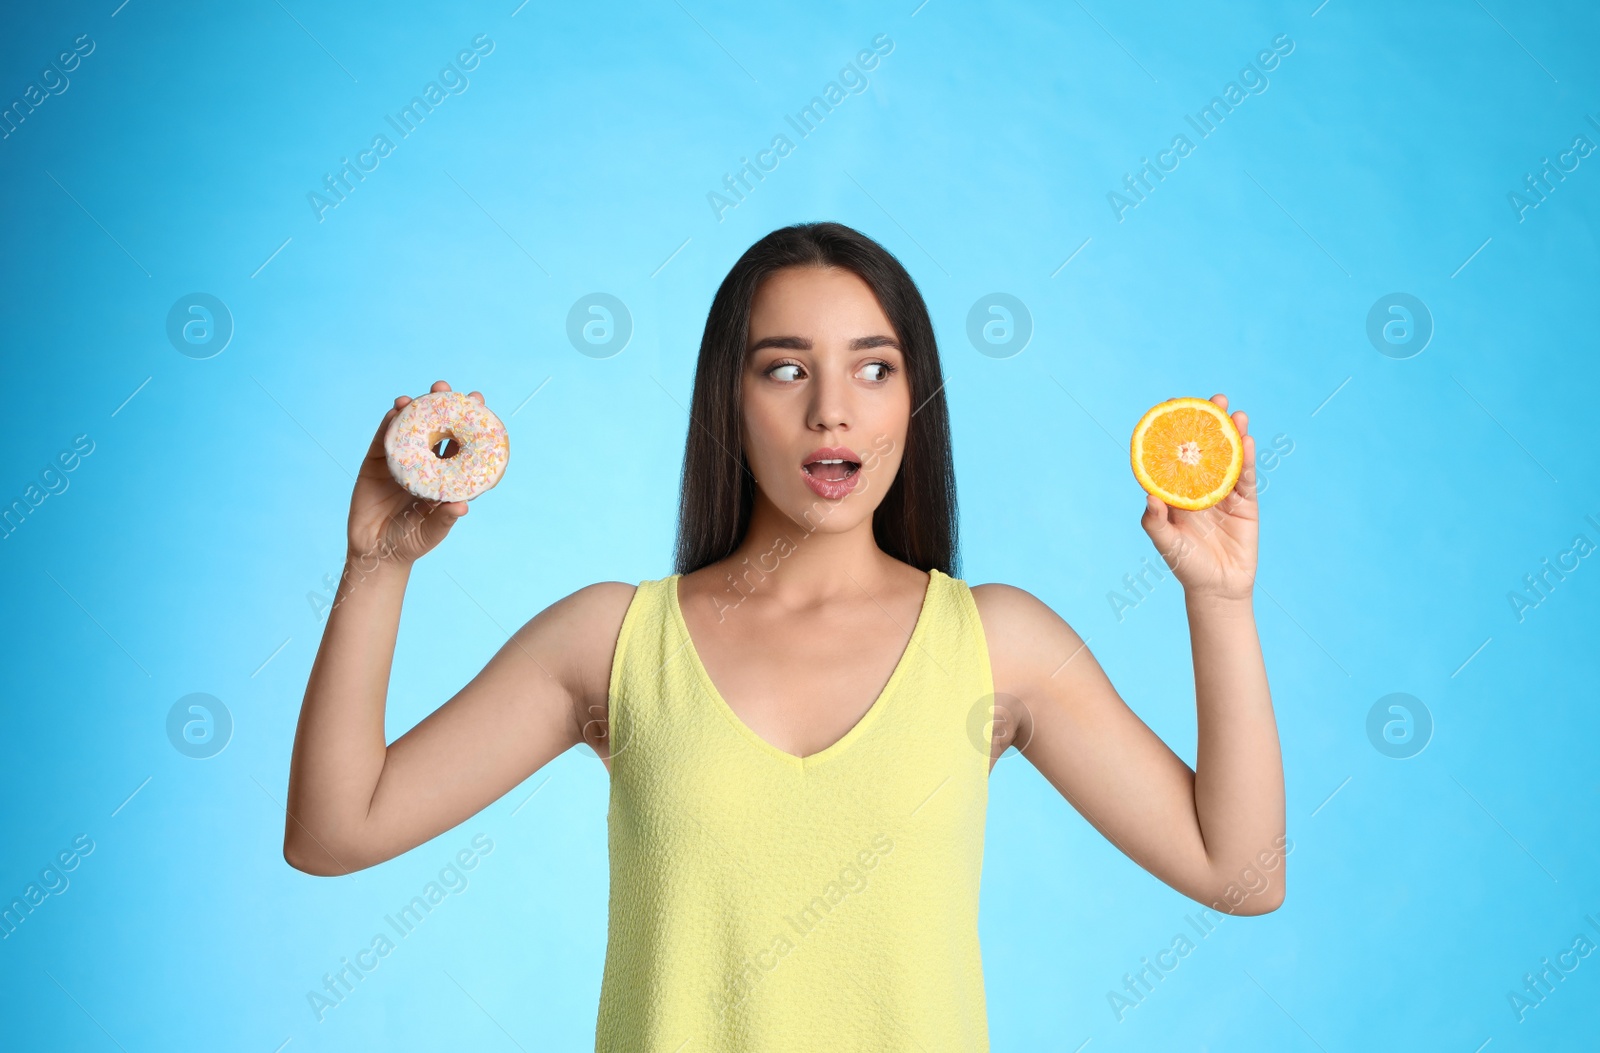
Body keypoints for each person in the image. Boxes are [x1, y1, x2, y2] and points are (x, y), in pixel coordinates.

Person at [283, 221, 1284, 1051]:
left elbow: (1238, 875)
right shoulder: (612, 642)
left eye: (873, 368)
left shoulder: (997, 646)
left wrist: (1220, 602)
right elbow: (336, 831)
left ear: (913, 397)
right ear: (729, 397)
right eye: (784, 369)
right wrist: (377, 567)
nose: (831, 410)